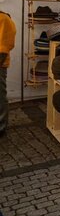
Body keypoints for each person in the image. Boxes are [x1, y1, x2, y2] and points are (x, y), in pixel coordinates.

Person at [0, 10, 16, 138]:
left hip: (0, 64)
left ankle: (1, 126)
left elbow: (5, 45)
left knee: (0, 95)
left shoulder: (4, 18)